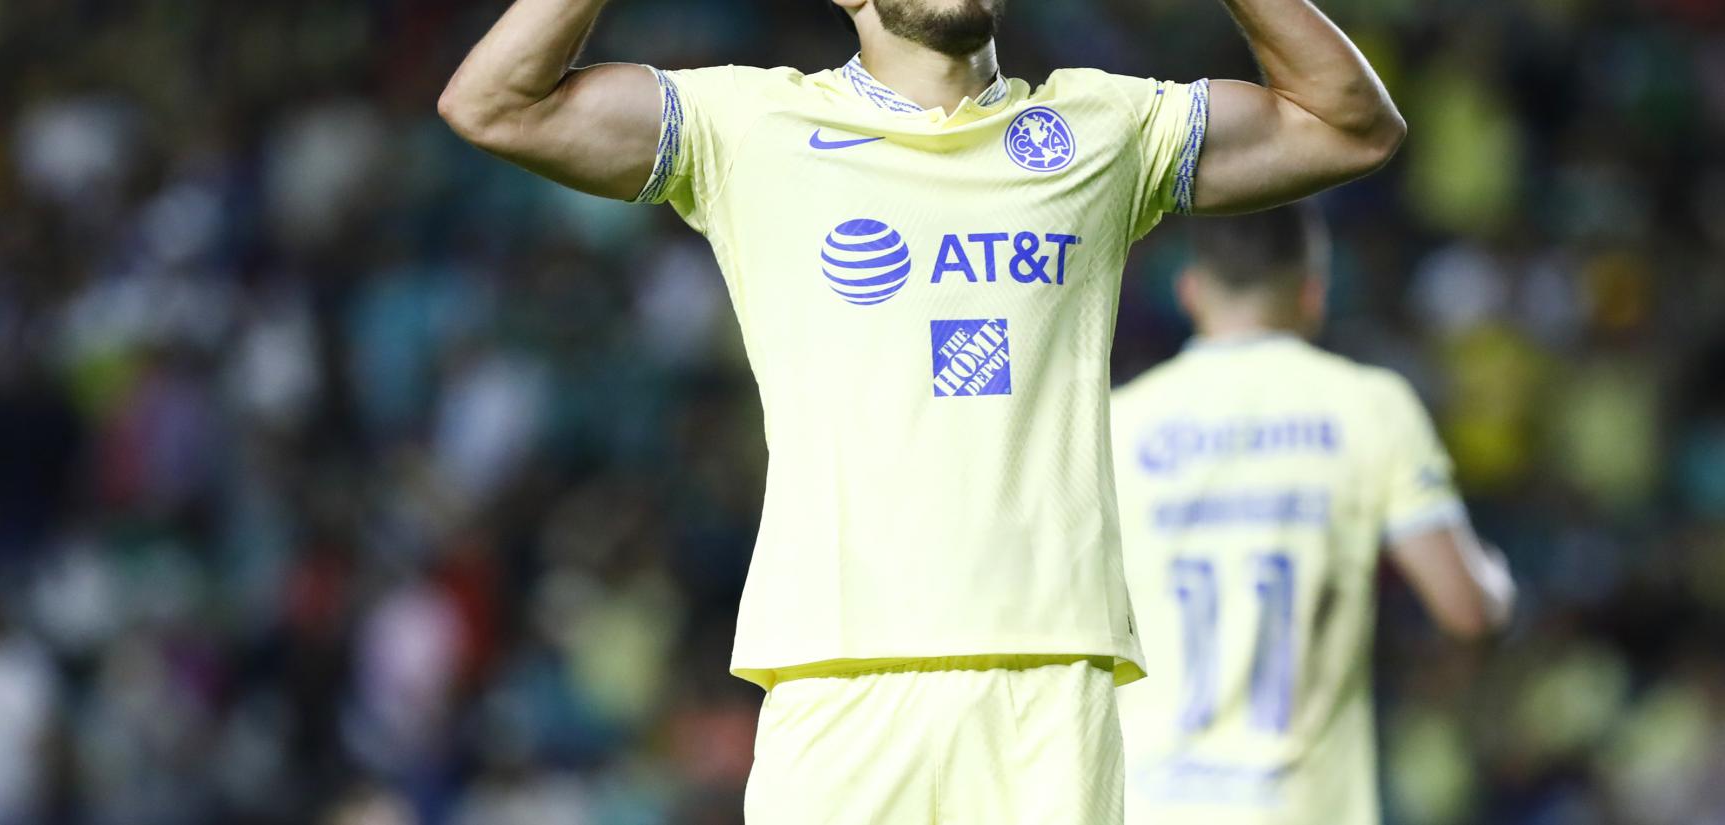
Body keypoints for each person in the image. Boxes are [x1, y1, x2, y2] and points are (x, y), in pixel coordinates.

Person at [438, 0, 1404, 819]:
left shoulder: (1103, 128)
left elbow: (1350, 125)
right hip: (835, 671)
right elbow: (492, 102)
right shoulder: (749, 125)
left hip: (1050, 678)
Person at [1109, 202, 1516, 825]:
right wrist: (1497, 580)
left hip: (1147, 802)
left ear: (1190, 292)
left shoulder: (1118, 421)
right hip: (1298, 807)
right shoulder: (1370, 407)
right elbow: (1465, 608)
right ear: (1313, 293)